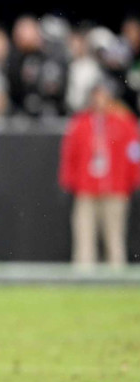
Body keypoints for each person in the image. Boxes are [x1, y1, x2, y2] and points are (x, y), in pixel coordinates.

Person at [59, 80, 140, 267]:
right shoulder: (81, 123)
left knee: (114, 237)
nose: (100, 99)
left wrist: (133, 181)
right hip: (86, 189)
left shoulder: (124, 122)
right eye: (97, 94)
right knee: (84, 237)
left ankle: (117, 278)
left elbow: (134, 154)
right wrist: (69, 181)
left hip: (116, 189)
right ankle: (83, 278)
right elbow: (70, 154)